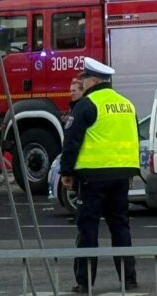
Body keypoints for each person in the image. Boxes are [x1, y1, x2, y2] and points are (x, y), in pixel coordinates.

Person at [60, 58, 140, 293]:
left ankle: (84, 283)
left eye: (84, 79)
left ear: (93, 80)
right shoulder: (127, 104)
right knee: (120, 226)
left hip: (93, 176)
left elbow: (71, 141)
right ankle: (129, 279)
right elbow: (133, 136)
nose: (82, 83)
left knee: (88, 229)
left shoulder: (87, 104)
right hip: (122, 175)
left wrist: (66, 172)